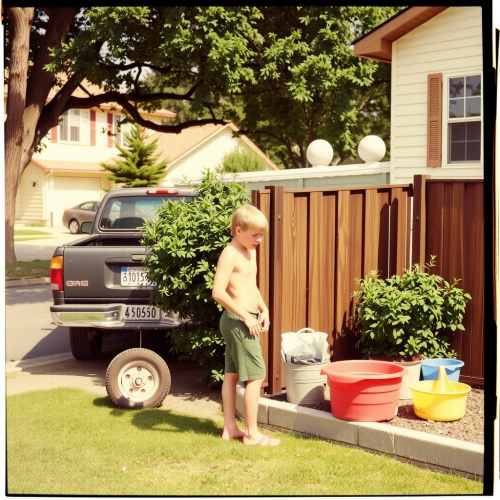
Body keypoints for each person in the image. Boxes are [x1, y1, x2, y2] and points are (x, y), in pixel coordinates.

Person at [212, 204, 281, 446]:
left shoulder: (249, 250)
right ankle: (252, 434)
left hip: (245, 319)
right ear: (238, 230)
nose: (259, 240)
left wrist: (263, 309)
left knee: (231, 375)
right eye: (255, 235)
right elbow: (218, 292)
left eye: (262, 235)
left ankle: (230, 428)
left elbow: (249, 285)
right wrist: (246, 316)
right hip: (238, 322)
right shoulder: (230, 253)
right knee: (256, 376)